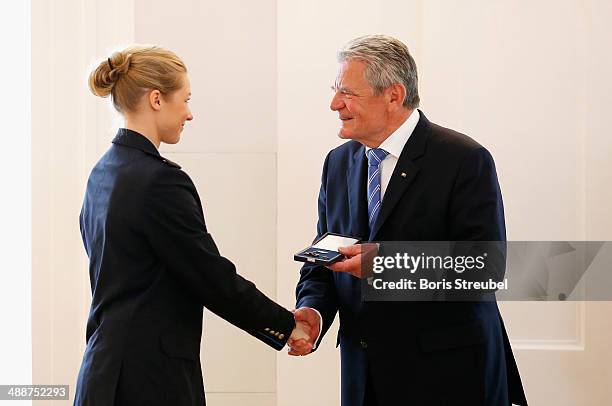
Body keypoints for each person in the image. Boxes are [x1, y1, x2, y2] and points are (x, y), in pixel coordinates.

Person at [290, 35, 528, 406]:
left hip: (448, 376)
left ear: (393, 95)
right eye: (336, 91)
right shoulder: (337, 163)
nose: (335, 104)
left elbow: (484, 268)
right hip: (364, 376)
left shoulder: (464, 159)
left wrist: (384, 264)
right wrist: (314, 311)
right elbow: (324, 259)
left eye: (347, 93)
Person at [74, 45, 311, 406]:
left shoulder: (102, 173)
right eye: (184, 100)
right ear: (156, 99)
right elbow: (210, 277)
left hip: (101, 372)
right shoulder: (159, 181)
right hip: (147, 381)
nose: (189, 114)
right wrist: (287, 324)